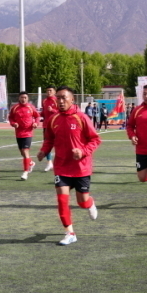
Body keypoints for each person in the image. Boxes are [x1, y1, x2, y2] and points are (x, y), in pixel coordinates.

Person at [37, 87, 101, 245]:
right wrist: (44, 151)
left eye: (63, 98)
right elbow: (49, 139)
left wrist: (83, 151)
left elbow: (95, 140)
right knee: (62, 199)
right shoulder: (53, 119)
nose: (60, 101)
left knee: (82, 201)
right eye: (58, 98)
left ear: (72, 99)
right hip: (62, 167)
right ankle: (70, 233)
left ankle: (90, 203)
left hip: (81, 167)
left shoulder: (81, 117)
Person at [9, 91, 40, 180]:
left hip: (28, 133)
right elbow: (10, 117)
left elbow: (37, 116)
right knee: (22, 152)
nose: (23, 99)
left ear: (28, 98)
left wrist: (36, 123)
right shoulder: (15, 108)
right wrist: (13, 123)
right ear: (19, 98)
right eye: (22, 97)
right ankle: (31, 163)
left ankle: (25, 172)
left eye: (25, 97)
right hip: (19, 133)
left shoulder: (31, 107)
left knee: (26, 152)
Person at [40, 87, 59, 171]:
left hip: (56, 125)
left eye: (50, 90)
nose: (49, 92)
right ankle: (49, 162)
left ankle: (60, 162)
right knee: (46, 143)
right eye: (47, 90)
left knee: (59, 143)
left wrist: (52, 110)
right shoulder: (44, 101)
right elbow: (44, 112)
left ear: (54, 92)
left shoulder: (57, 100)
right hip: (46, 126)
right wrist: (40, 114)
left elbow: (60, 111)